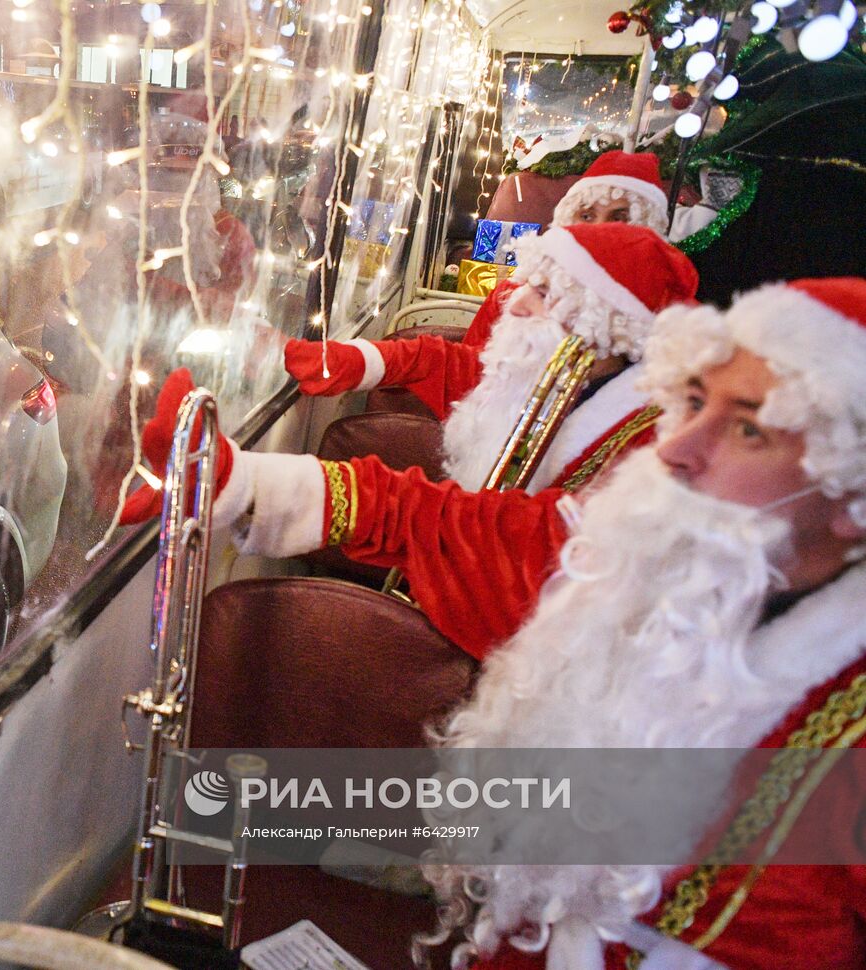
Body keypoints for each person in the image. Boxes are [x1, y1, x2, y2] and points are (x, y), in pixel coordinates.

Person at [407, 277, 866, 969]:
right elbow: (484, 532)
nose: (676, 449)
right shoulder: (653, 570)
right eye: (690, 404)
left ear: (850, 492)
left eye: (747, 428)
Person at [285, 223, 698, 491]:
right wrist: (342, 360)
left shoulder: (641, 454)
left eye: (542, 292)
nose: (516, 305)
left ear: (604, 325)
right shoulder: (557, 371)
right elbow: (450, 362)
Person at [460, 150, 672, 351]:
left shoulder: (667, 310)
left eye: (618, 219)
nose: (598, 229)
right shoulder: (513, 293)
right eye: (587, 216)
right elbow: (473, 367)